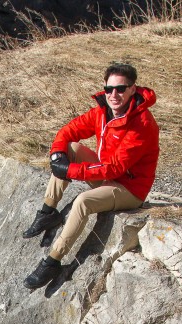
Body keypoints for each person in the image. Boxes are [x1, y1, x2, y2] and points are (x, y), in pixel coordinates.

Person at [22, 63, 159, 289]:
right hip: (107, 177)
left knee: (83, 202)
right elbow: (68, 131)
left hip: (129, 189)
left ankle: (52, 261)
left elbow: (115, 168)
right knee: (71, 149)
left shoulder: (142, 125)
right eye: (109, 89)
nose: (113, 95)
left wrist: (71, 171)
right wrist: (58, 155)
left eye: (120, 89)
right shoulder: (102, 112)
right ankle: (48, 211)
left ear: (133, 89)